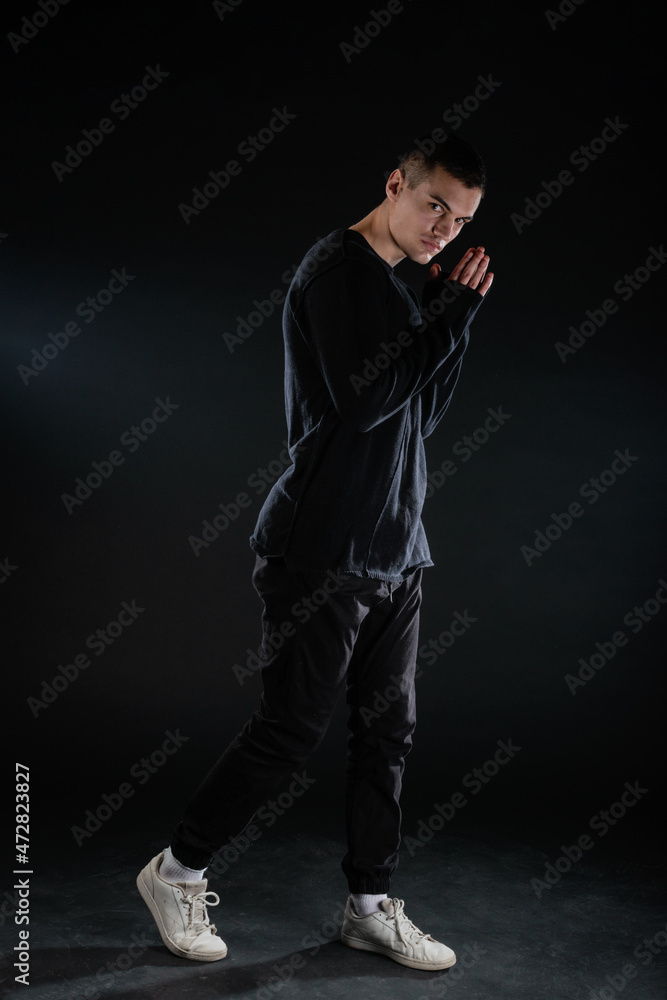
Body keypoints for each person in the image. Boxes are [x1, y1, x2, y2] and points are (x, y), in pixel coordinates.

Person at [137, 131, 494, 971]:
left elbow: (417, 416)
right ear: (395, 185)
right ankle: (176, 869)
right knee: (289, 731)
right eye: (433, 203)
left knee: (387, 734)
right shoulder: (336, 272)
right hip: (323, 547)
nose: (444, 226)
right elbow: (367, 400)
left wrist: (454, 323)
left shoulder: (405, 291)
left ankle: (368, 906)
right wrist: (443, 317)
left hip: (397, 548)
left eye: (463, 216)